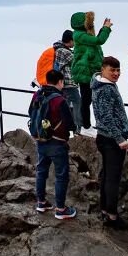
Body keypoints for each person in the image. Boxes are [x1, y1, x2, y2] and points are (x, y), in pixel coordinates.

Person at [31, 70, 78, 220]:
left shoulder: (37, 95)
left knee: (41, 171)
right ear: (60, 82)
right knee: (61, 175)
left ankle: (41, 202)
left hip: (41, 139)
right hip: (57, 142)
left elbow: (30, 112)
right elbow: (70, 124)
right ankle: (60, 209)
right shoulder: (59, 100)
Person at [91, 56, 128, 229]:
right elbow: (107, 117)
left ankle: (105, 210)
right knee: (112, 178)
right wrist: (120, 139)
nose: (116, 73)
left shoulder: (99, 84)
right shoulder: (107, 89)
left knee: (107, 175)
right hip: (111, 139)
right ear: (103, 69)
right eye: (112, 70)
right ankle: (113, 216)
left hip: (103, 136)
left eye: (118, 70)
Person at [70, 11, 113, 136]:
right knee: (86, 100)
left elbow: (95, 40)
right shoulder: (79, 35)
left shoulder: (82, 34)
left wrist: (102, 28)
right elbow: (99, 40)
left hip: (88, 71)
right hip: (85, 72)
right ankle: (86, 127)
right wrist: (106, 28)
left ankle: (88, 126)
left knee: (90, 99)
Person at [53, 31, 83, 133]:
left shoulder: (60, 49)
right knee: (77, 104)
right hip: (68, 84)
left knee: (68, 106)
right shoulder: (63, 51)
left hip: (64, 84)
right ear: (70, 41)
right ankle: (79, 129)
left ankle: (69, 128)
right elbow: (77, 61)